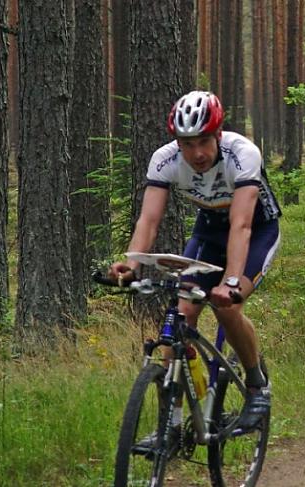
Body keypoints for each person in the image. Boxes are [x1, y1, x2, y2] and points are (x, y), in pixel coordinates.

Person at [109, 90, 281, 430]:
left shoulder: (243, 154)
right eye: (187, 144)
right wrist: (130, 264)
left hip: (256, 231)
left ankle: (257, 382)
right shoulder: (164, 159)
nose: (197, 153)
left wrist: (231, 280)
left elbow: (242, 224)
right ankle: (170, 427)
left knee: (228, 307)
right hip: (207, 233)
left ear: (218, 134)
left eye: (204, 141)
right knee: (179, 318)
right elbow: (149, 220)